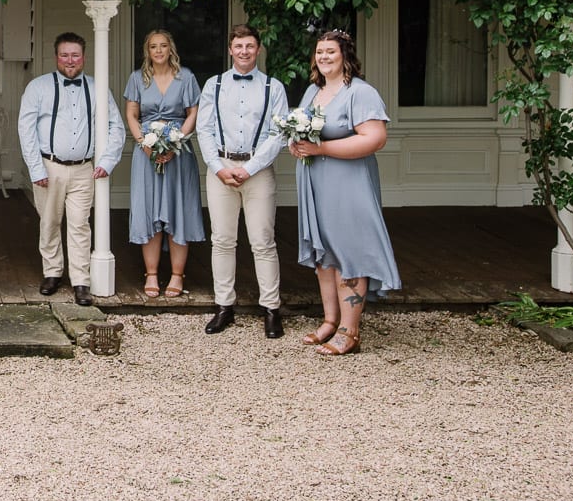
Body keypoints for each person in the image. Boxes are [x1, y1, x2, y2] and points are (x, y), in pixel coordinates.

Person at [288, 29, 402, 356]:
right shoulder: (314, 90)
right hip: (317, 182)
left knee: (350, 252)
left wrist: (321, 148)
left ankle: (350, 331)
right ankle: (329, 320)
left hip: (348, 183)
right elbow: (304, 131)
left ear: (345, 56)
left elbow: (374, 138)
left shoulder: (360, 92)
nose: (324, 57)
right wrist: (298, 146)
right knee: (325, 254)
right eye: (320, 52)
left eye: (331, 52)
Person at [194, 24, 290, 338]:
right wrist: (219, 167)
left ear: (258, 49)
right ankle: (224, 306)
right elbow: (204, 129)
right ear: (231, 49)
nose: (244, 51)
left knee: (263, 240)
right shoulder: (214, 84)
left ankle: (271, 308)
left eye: (250, 46)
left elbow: (278, 134)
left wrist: (250, 168)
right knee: (222, 240)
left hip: (258, 170)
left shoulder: (273, 87)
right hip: (220, 168)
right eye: (239, 46)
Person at [17, 32, 124, 306]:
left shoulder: (97, 88)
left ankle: (81, 281)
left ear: (84, 57)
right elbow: (26, 130)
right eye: (64, 55)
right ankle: (52, 273)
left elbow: (116, 126)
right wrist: (36, 168)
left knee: (80, 225)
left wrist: (107, 161)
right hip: (49, 167)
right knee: (50, 222)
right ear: (56, 57)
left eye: (75, 55)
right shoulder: (38, 87)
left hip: (83, 169)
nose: (70, 60)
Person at [125, 29, 203, 299]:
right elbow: (132, 114)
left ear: (171, 49)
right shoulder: (137, 78)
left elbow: (193, 112)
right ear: (147, 51)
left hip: (178, 154)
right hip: (145, 154)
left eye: (163, 46)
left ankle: (177, 275)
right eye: (153, 47)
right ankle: (152, 274)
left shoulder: (186, 78)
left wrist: (177, 140)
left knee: (177, 210)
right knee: (149, 211)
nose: (158, 51)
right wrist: (143, 144)